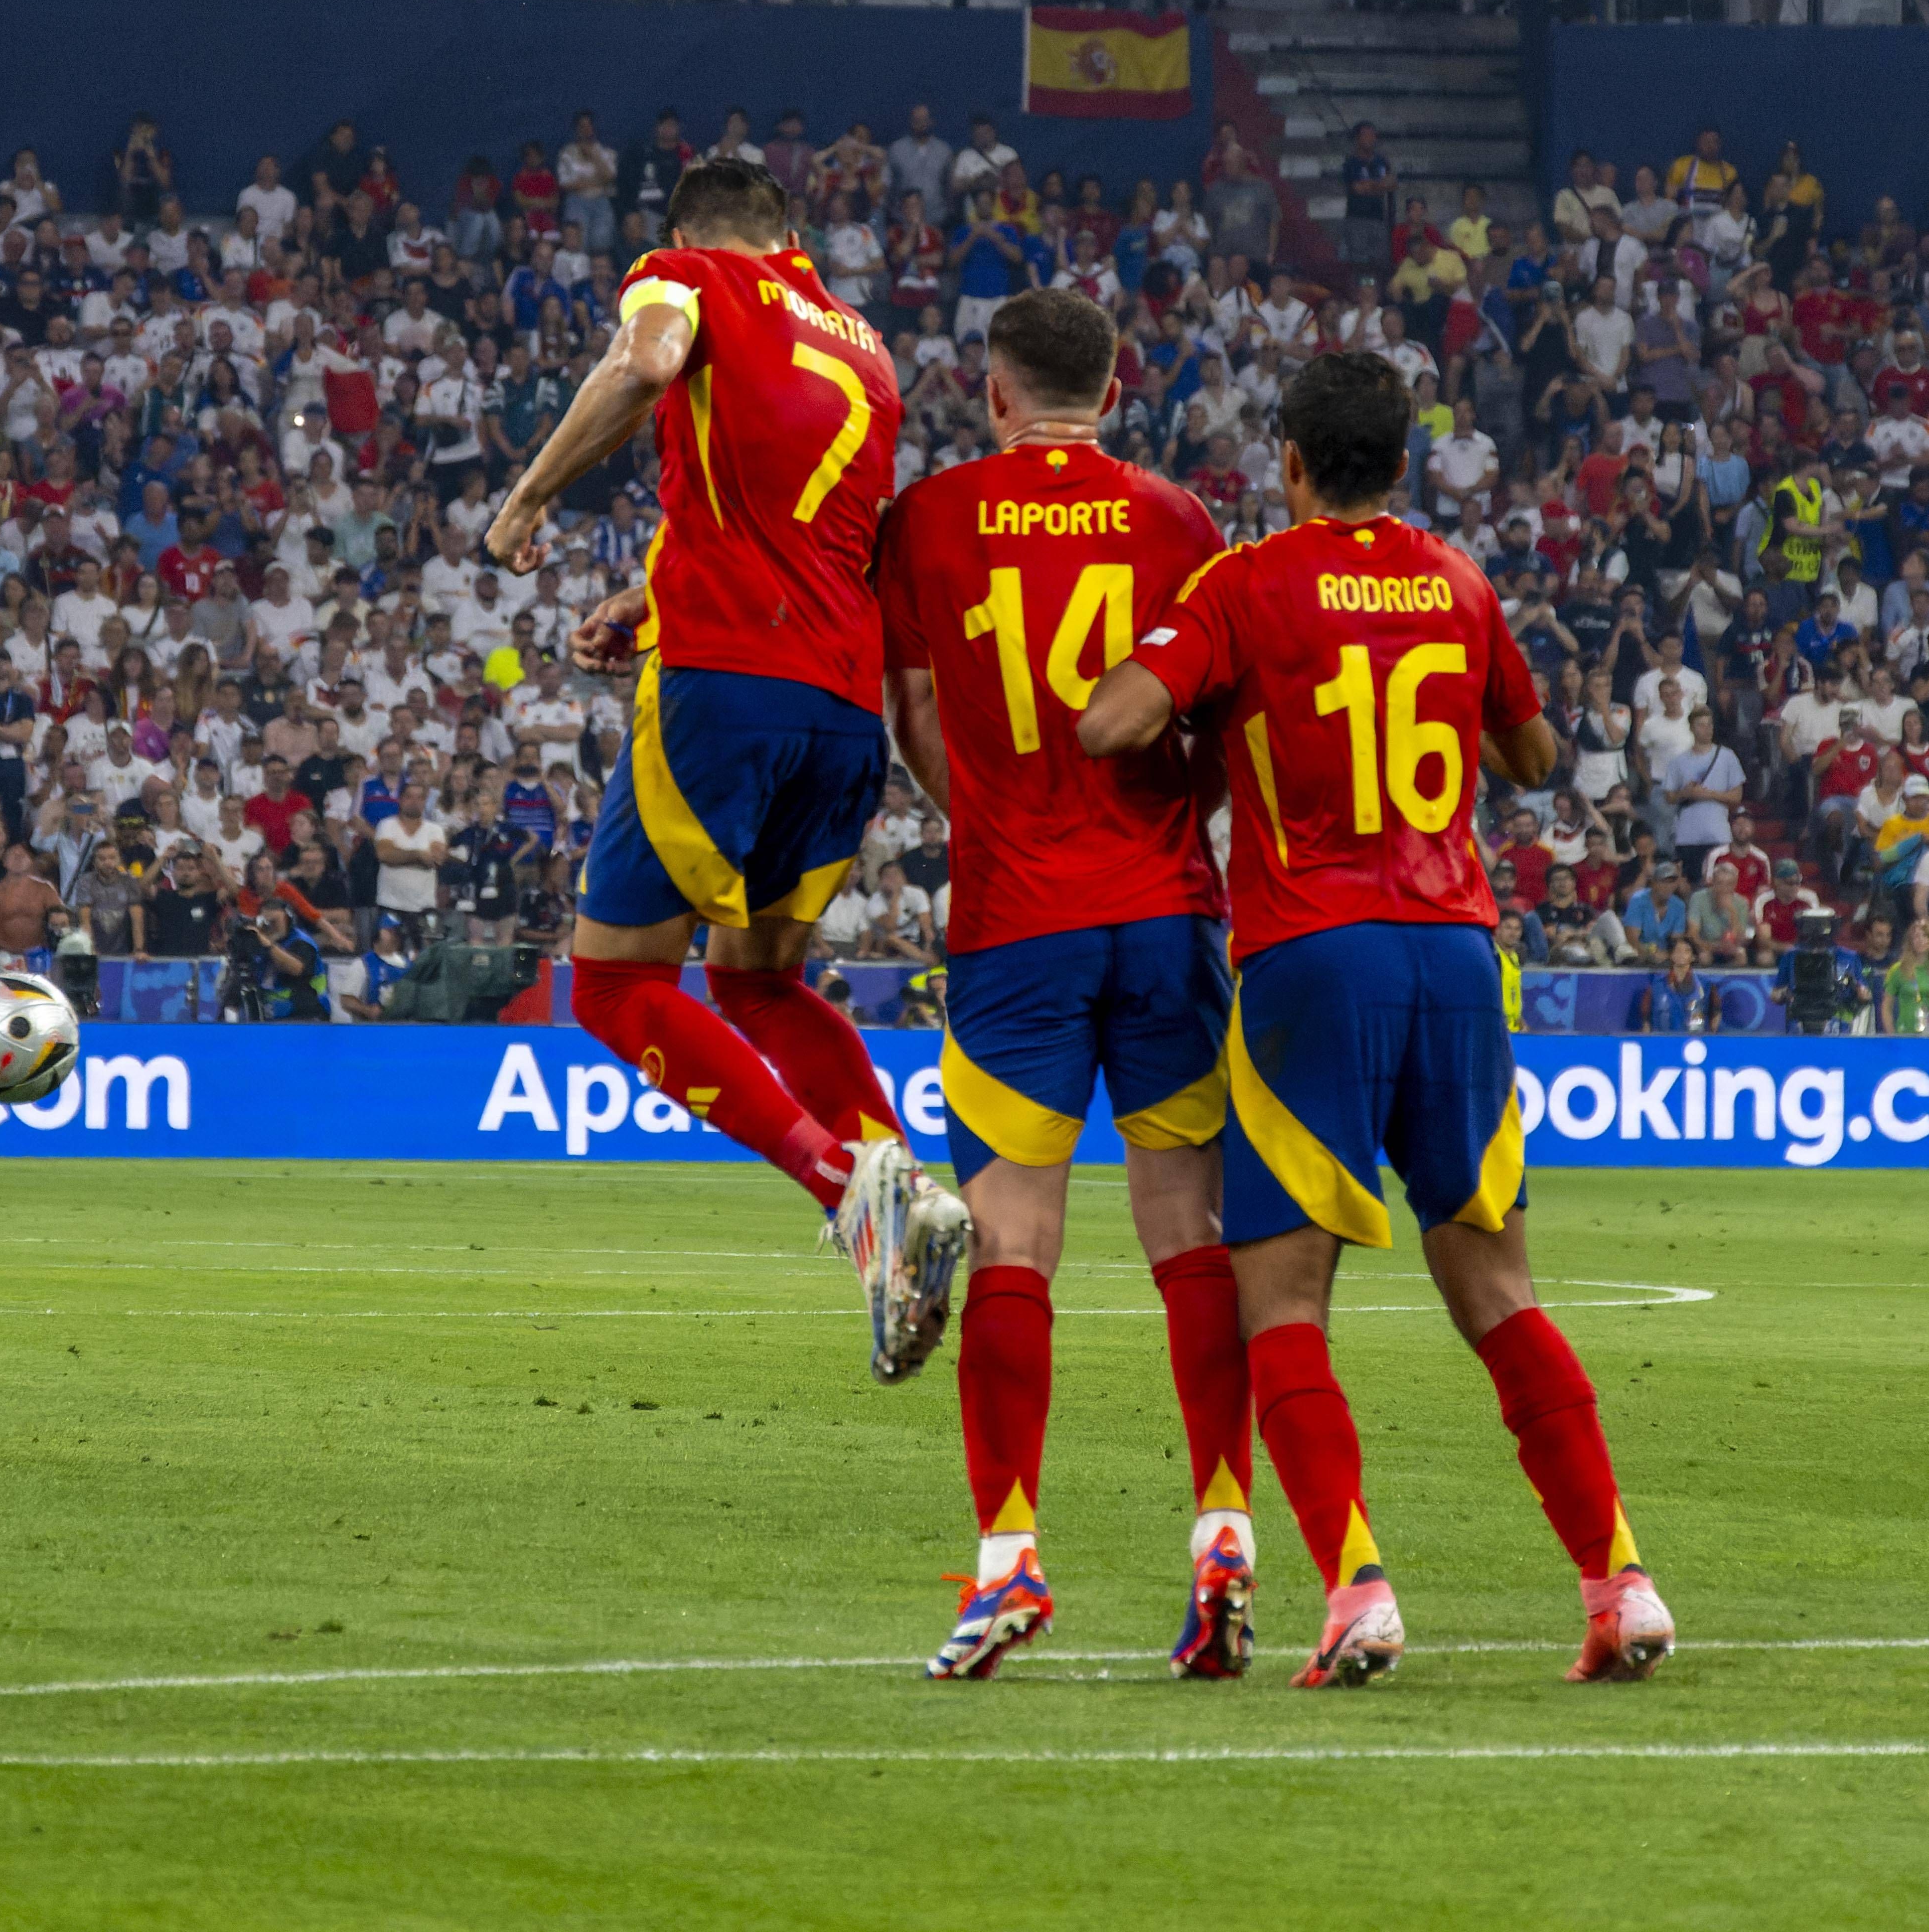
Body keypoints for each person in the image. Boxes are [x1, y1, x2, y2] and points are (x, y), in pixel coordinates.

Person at [1083, 353, 1674, 1690]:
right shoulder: (1457, 583)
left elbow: (1111, 720)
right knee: (1497, 1290)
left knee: (1281, 1300)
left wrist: (1202, 712)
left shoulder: (1241, 584)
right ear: (1402, 464)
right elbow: (1530, 756)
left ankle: (1354, 1585)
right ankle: (1618, 1579)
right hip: (1458, 955)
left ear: (1288, 460)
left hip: (1312, 956)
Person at [483, 156, 964, 1337]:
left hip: (730, 686)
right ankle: (903, 1181)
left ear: (686, 232)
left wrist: (528, 495)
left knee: (610, 980)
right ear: (790, 233)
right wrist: (649, 600)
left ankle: (848, 1189)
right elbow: (800, 517)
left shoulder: (683, 275)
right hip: (841, 699)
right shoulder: (861, 340)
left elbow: (642, 363)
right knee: (758, 977)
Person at [876, 288, 1254, 1680]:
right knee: (1188, 1236)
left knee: (1011, 1239)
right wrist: (1180, 828)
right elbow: (1211, 711)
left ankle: (1008, 1560)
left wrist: (977, 813)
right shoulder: (1177, 522)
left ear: (989, 391)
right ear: (1123, 380)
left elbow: (909, 706)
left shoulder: (926, 517)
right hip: (1163, 913)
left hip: (1014, 916)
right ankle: (1223, 1538)